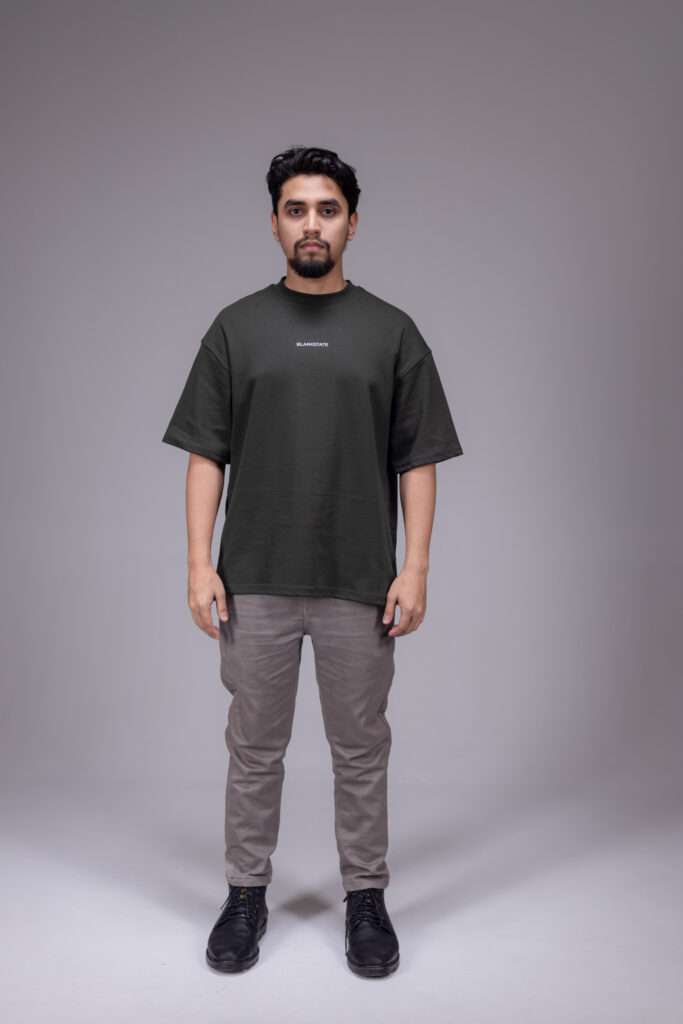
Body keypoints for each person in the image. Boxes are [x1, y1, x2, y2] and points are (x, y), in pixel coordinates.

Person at [161, 146, 464, 978]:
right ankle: (244, 894)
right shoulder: (235, 328)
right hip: (253, 578)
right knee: (253, 749)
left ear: (352, 224)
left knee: (360, 750)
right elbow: (204, 454)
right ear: (273, 223)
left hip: (358, 580)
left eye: (326, 210)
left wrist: (415, 567)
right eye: (295, 209)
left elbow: (417, 458)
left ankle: (365, 897)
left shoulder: (391, 331)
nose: (311, 224)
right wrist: (197, 563)